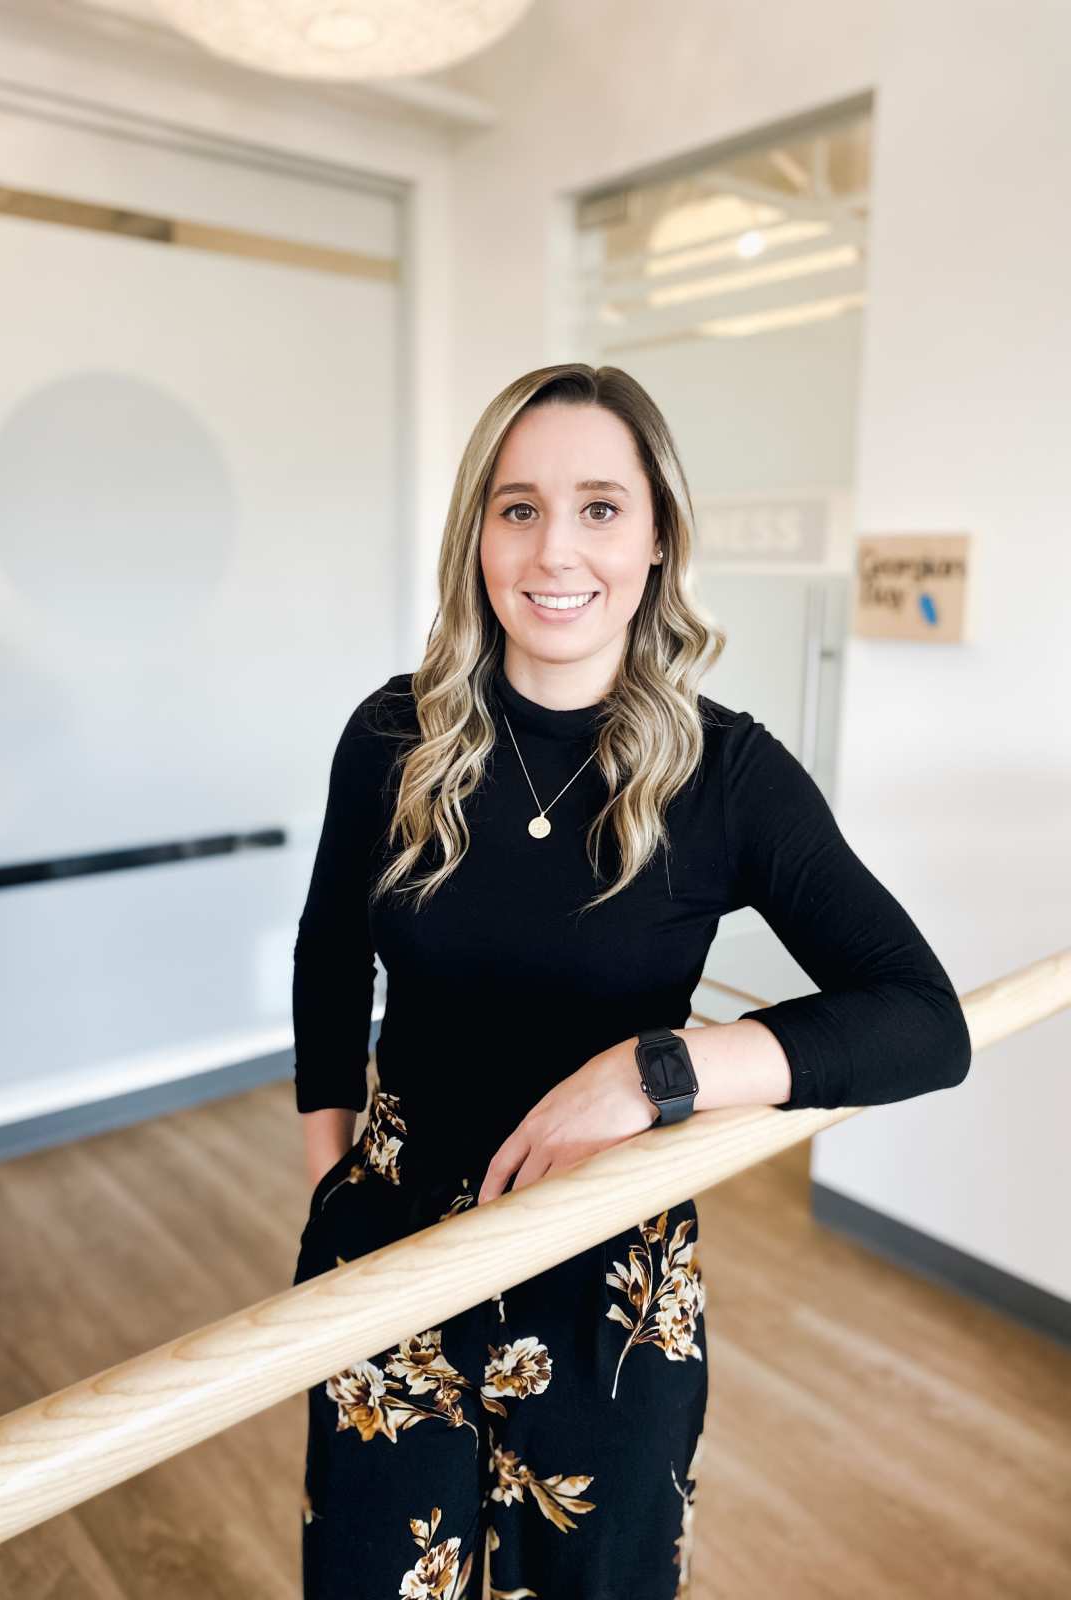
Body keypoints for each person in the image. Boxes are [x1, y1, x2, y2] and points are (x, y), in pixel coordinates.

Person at [289, 363, 972, 1599]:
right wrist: (329, 1181)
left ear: (657, 539)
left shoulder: (728, 774)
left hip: (608, 1280)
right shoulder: (391, 735)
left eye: (602, 507)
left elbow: (924, 1022)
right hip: (385, 1256)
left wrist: (656, 1070)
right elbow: (329, 953)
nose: (557, 549)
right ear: (478, 534)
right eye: (519, 507)